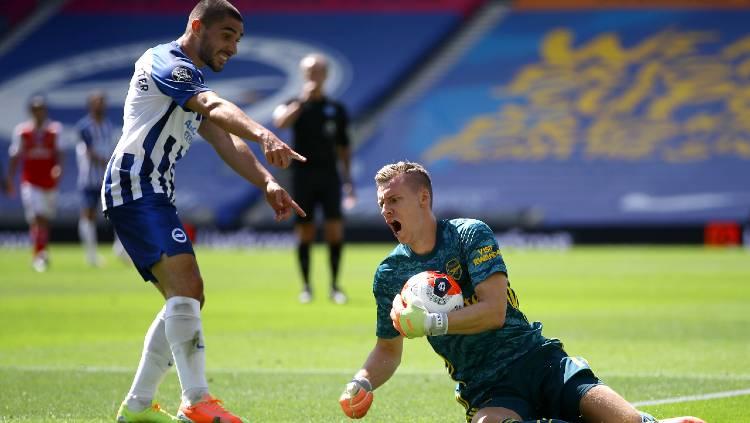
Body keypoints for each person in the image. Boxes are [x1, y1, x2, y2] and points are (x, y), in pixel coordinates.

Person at [337, 161, 705, 423]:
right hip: (486, 387)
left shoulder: (469, 235)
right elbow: (388, 348)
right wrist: (362, 381)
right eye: (382, 203)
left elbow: (494, 311)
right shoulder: (389, 273)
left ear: (423, 199)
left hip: (537, 361)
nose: (386, 210)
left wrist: (430, 322)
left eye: (394, 200)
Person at [105, 1, 306, 422]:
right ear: (197, 26)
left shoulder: (190, 82)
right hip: (135, 184)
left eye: (238, 39)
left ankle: (139, 407)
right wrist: (265, 133)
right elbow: (214, 109)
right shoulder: (166, 61)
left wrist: (266, 182)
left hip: (153, 190)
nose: (233, 47)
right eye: (227, 35)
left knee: (188, 296)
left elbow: (224, 140)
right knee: (187, 287)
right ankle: (196, 400)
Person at [272, 52, 354, 304]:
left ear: (326, 75)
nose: (314, 76)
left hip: (329, 176)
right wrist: (301, 103)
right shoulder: (293, 103)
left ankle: (335, 286)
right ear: (303, 74)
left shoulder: (336, 109)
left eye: (318, 71)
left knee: (334, 231)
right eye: (310, 72)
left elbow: (343, 147)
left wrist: (347, 180)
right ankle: (306, 286)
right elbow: (280, 122)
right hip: (302, 177)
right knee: (305, 231)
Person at [5, 94, 63, 272]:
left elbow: (59, 153)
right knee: (37, 217)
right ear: (31, 111)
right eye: (35, 109)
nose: (39, 113)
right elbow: (15, 156)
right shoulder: (22, 132)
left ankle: (41, 250)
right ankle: (39, 254)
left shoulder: (54, 130)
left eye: (41, 109)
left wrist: (58, 168)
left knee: (44, 219)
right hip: (30, 181)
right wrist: (10, 178)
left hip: (49, 182)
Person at [74, 90, 126, 266]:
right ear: (90, 105)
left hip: (109, 178)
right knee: (88, 215)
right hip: (90, 179)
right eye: (97, 102)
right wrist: (108, 162)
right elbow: (88, 152)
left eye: (103, 102)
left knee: (120, 211)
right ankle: (91, 255)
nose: (101, 105)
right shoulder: (84, 127)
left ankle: (120, 248)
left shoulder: (109, 126)